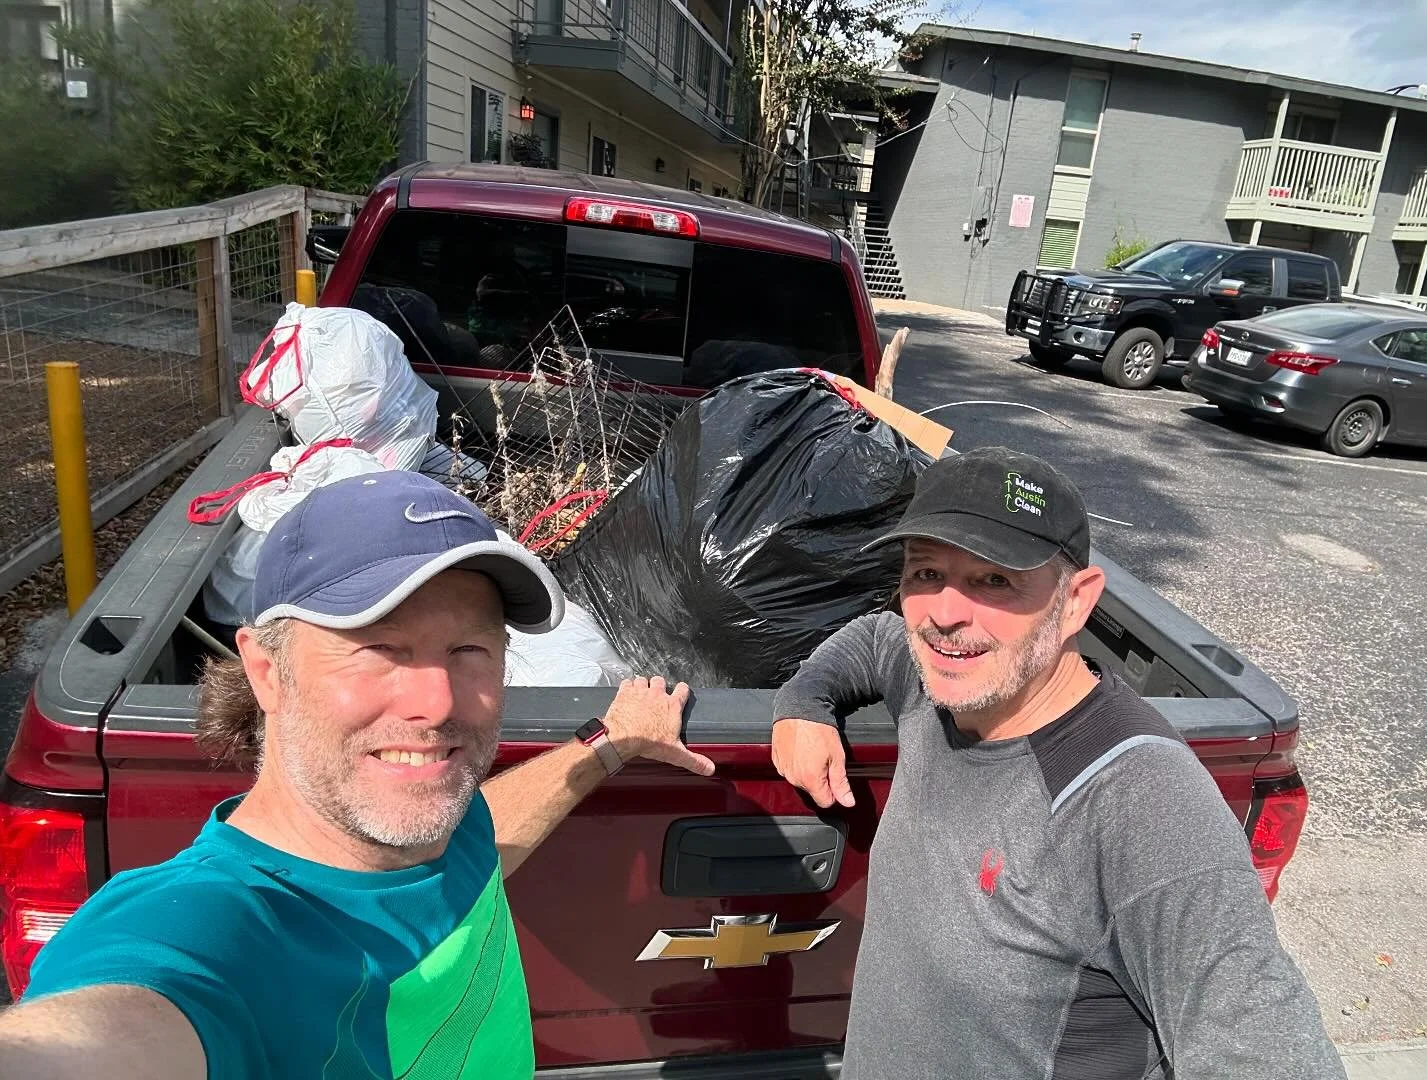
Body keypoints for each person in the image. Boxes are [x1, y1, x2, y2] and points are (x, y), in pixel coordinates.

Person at [0, 470, 713, 1078]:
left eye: (470, 649)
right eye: (378, 647)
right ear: (265, 671)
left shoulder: (440, 831)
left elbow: (485, 839)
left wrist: (608, 743)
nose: (435, 703)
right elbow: (94, 1035)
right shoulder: (209, 931)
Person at [770, 447, 1344, 1080]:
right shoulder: (937, 685)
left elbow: (1265, 1050)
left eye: (995, 581)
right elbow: (875, 639)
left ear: (1076, 601)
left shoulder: (1140, 801)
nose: (945, 613)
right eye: (926, 572)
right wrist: (803, 704)